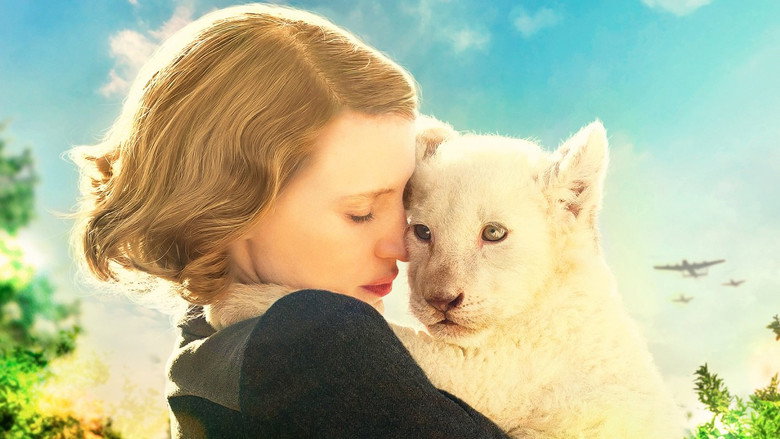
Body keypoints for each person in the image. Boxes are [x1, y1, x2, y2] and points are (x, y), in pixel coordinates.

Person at [68, 3, 511, 438]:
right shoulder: (317, 337)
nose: (402, 246)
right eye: (360, 213)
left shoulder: (202, 353)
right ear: (232, 208)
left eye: (406, 203)